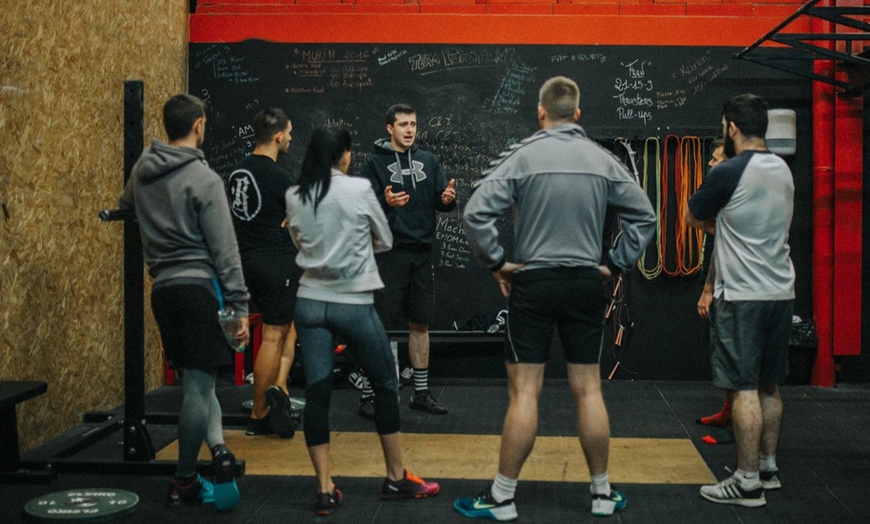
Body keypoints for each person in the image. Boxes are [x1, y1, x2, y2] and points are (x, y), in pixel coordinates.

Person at [456, 76, 656, 520]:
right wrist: (614, 264)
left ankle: (503, 498)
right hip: (586, 281)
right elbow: (645, 217)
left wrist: (497, 262)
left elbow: (474, 213)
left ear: (541, 111)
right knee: (588, 389)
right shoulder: (602, 161)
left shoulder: (524, 155)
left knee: (525, 392)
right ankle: (602, 495)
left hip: (535, 282)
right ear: (578, 114)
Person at [285, 126, 440, 516]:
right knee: (386, 383)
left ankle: (324, 489)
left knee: (318, 393)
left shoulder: (295, 194)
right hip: (351, 302)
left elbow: (298, 243)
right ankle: (395, 478)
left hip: (308, 303)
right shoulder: (357, 190)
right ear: (345, 155)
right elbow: (385, 240)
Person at [119, 93, 248, 511]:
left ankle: (218, 447)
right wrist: (240, 306)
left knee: (198, 378)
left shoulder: (142, 169)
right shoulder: (205, 179)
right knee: (198, 387)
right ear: (199, 125)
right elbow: (225, 250)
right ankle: (184, 479)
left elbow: (124, 205)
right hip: (197, 290)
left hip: (163, 292)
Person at [686, 93, 795, 507]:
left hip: (743, 295)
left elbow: (692, 217)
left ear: (731, 127)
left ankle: (747, 483)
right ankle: (767, 468)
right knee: (770, 385)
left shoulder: (728, 170)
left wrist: (724, 229)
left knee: (744, 387)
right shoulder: (782, 170)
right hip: (780, 293)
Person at [358, 103, 456, 419]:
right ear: (390, 128)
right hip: (388, 254)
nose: (410, 130)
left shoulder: (428, 160)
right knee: (379, 326)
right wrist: (383, 201)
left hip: (421, 253)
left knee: (421, 323)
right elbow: (363, 205)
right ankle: (369, 394)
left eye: (413, 124)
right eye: (403, 124)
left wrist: (447, 200)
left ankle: (421, 394)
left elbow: (441, 198)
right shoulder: (374, 163)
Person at [225, 107, 300, 439]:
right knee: (273, 335)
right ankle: (258, 415)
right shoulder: (281, 179)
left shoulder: (236, 173)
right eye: (290, 133)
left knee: (289, 325)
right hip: (277, 263)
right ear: (279, 136)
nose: (291, 138)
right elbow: (301, 223)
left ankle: (279, 389)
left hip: (247, 262)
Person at [696, 139, 735, 446]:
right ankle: (728, 411)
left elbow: (692, 216)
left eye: (715, 158)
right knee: (725, 356)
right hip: (725, 289)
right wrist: (708, 288)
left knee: (739, 365)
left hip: (741, 293)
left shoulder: (736, 194)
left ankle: (738, 428)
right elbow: (717, 249)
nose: (710, 163)